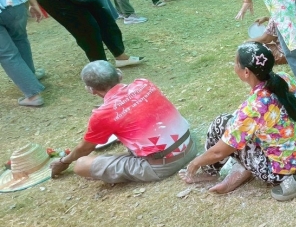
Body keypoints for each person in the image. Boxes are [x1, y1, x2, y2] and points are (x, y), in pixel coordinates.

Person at [180, 42, 296, 194]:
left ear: (247, 72)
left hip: (278, 172)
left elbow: (219, 152)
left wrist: (196, 163)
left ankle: (209, 173)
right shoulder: (284, 78)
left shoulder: (254, 107)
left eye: (236, 63)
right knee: (242, 127)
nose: (234, 67)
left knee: (220, 124)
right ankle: (242, 169)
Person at [50, 61, 195, 183]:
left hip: (163, 166)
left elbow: (84, 149)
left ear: (91, 90)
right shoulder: (144, 83)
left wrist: (64, 161)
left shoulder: (103, 114)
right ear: (119, 74)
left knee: (81, 165)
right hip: (190, 146)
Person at [0, 0, 45, 107]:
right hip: (12, 0)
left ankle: (32, 94)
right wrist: (33, 2)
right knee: (20, 39)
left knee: (6, 53)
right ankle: (30, 75)